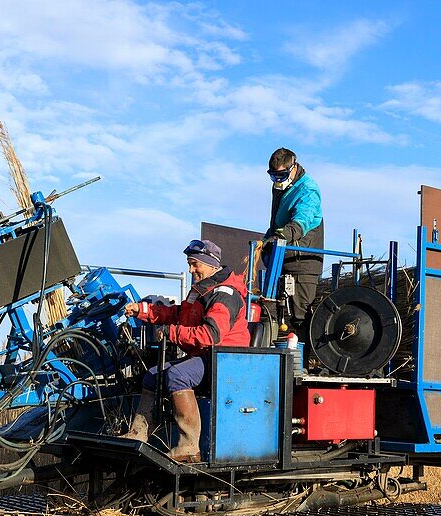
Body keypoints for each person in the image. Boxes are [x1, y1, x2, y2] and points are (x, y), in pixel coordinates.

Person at [122, 239, 250, 462]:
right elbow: (178, 314)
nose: (190, 270)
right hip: (207, 356)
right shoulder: (202, 290)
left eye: (194, 264)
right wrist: (142, 310)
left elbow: (210, 335)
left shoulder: (224, 294)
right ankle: (138, 434)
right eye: (189, 264)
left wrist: (173, 333)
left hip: (226, 360)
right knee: (153, 375)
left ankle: (189, 446)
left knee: (177, 375)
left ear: (210, 264)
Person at [262, 147, 324, 344]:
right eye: (273, 176)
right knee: (271, 310)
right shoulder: (282, 188)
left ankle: (300, 364)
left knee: (300, 316)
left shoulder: (308, 189)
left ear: (293, 167)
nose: (277, 180)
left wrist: (284, 235)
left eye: (281, 175)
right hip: (284, 257)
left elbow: (301, 220)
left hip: (303, 261)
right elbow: (278, 223)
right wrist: (266, 240)